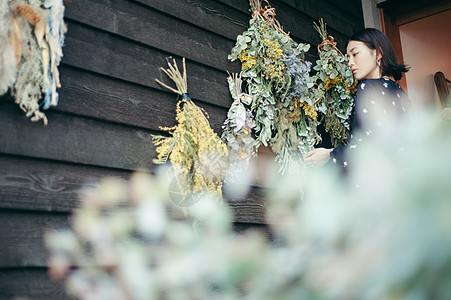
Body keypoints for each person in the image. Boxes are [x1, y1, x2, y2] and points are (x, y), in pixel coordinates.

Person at [304, 28, 411, 168]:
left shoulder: (368, 88)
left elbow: (368, 148)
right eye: (348, 57)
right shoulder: (400, 92)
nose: (350, 62)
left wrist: (330, 154)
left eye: (355, 54)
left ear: (378, 53)